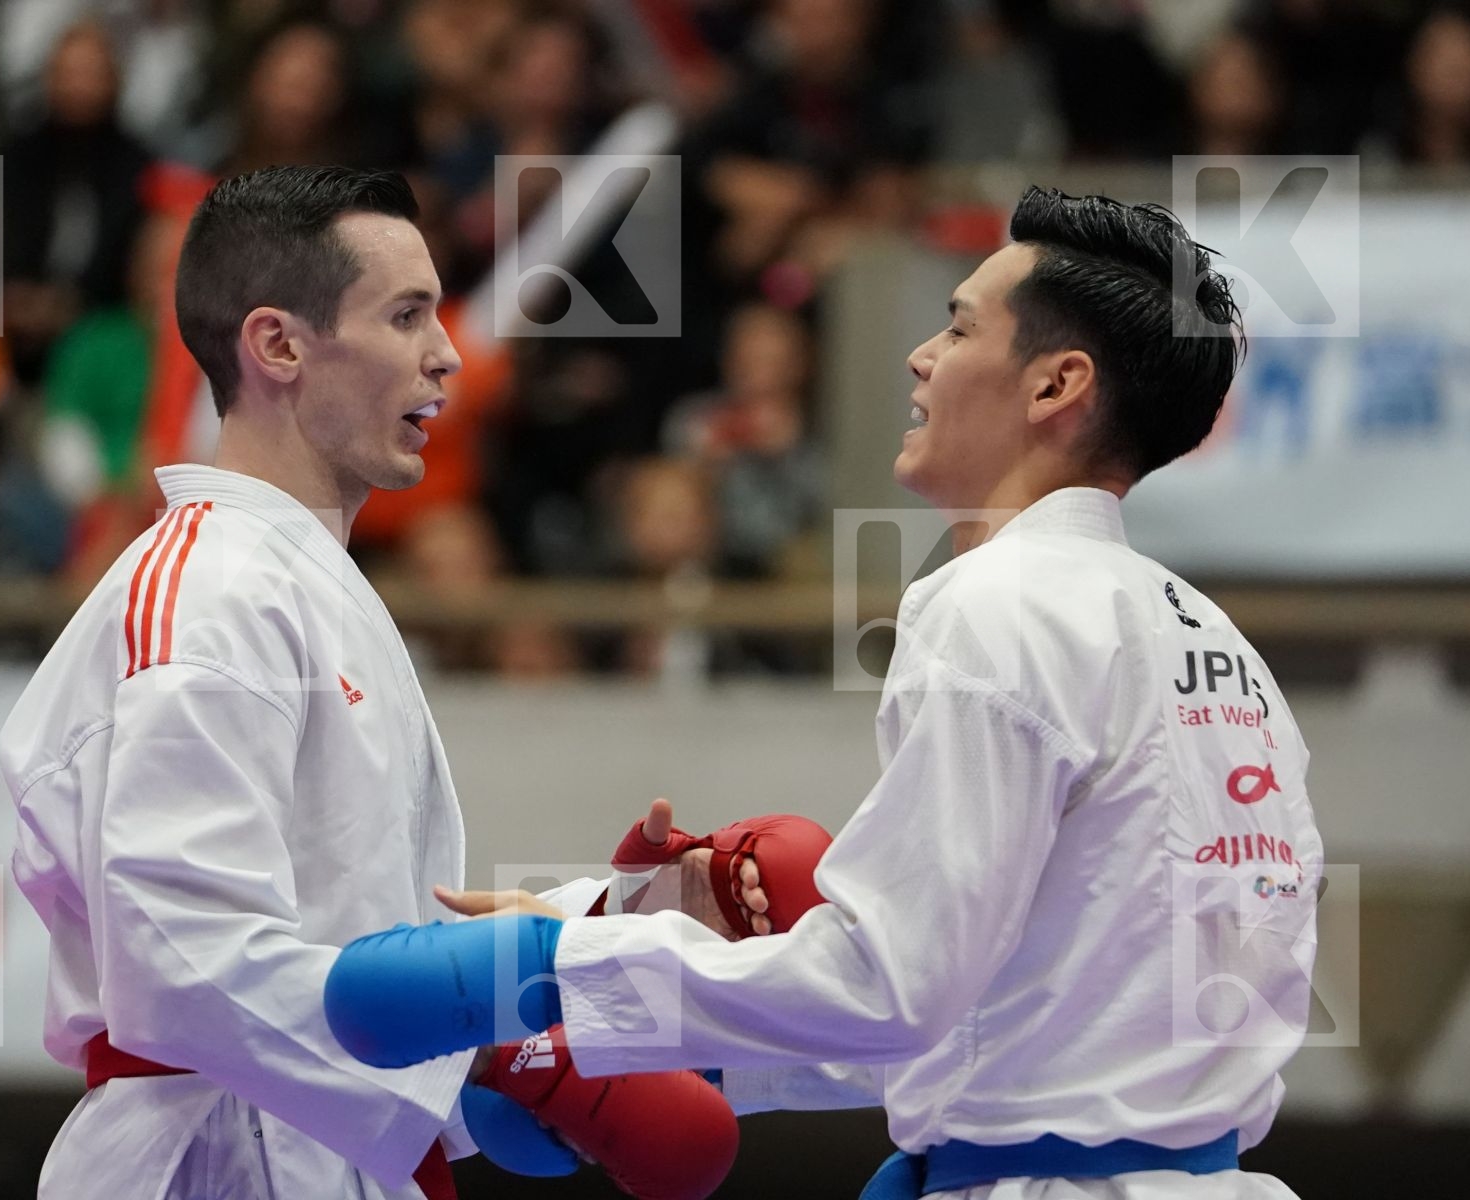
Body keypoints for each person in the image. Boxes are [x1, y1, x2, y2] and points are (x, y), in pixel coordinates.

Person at [323, 187, 1326, 1200]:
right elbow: (982, 1008)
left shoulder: (1000, 603)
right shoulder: (1218, 646)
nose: (920, 356)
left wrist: (557, 961)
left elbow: (891, 986)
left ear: (1055, 386)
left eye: (960, 326)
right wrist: (653, 1017)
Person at [0, 165, 743, 1200]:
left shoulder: (306, 582)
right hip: (211, 1161)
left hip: (309, 1151)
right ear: (279, 345)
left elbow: (351, 934)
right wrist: (509, 1003)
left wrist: (615, 922)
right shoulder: (211, 586)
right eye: (406, 316)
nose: (447, 356)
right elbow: (187, 969)